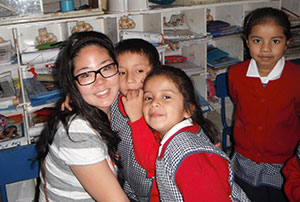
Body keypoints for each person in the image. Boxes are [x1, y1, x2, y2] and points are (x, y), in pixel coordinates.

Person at [124, 65, 249, 201]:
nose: (154, 103)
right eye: (148, 98)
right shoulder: (175, 134)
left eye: (166, 97)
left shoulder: (190, 158)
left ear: (188, 110)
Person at [62, 38, 162, 202]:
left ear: (156, 71)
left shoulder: (160, 108)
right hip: (130, 187)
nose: (129, 80)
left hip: (157, 192)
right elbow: (96, 90)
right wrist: (73, 95)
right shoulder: (115, 99)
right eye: (122, 72)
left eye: (139, 71)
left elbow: (153, 162)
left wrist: (137, 119)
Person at [35, 31, 129, 202]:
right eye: (86, 74)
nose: (99, 81)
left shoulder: (112, 107)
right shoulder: (78, 133)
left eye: (106, 67)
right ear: (73, 83)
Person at [228, 7, 300, 202]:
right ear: (247, 42)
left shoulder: (296, 78)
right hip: (245, 159)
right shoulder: (236, 73)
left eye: (275, 41)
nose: (266, 49)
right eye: (257, 41)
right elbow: (238, 101)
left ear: (287, 43)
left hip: (283, 161)